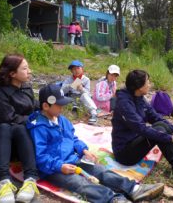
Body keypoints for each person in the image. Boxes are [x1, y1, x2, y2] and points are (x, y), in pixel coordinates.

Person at [27, 84, 165, 203]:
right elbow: (40, 157)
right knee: (79, 183)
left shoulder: (61, 120)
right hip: (54, 169)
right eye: (59, 105)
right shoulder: (38, 127)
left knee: (100, 170)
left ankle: (134, 189)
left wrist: (83, 150)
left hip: (73, 158)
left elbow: (73, 139)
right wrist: (60, 166)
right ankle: (112, 199)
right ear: (46, 105)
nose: (62, 108)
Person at [111, 70, 173, 183]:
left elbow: (155, 116)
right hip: (125, 153)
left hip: (135, 140)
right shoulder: (124, 103)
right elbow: (141, 128)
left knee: (162, 125)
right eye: (147, 82)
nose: (150, 84)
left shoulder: (139, 97)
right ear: (139, 87)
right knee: (159, 131)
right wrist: (168, 138)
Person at [0, 54, 39, 203]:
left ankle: (30, 179)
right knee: (7, 126)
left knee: (20, 129)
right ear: (12, 74)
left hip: (17, 143)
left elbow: (34, 107)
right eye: (25, 68)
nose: (30, 71)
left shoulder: (25, 88)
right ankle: (3, 181)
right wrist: (34, 120)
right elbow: (9, 119)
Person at [61, 60, 98, 124]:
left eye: (78, 68)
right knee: (60, 97)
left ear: (82, 69)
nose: (76, 70)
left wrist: (82, 89)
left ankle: (94, 114)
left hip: (81, 97)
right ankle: (74, 109)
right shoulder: (69, 79)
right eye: (74, 69)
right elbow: (61, 91)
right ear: (71, 71)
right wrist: (70, 86)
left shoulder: (86, 79)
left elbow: (88, 94)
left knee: (85, 95)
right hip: (71, 97)